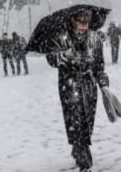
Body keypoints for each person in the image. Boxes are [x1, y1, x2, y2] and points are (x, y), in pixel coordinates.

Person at [46, 10, 109, 172]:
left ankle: (79, 145)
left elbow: (99, 65)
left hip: (89, 86)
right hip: (70, 85)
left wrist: (102, 81)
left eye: (86, 22)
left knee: (87, 120)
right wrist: (66, 56)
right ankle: (82, 154)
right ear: (73, 21)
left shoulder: (95, 39)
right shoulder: (62, 38)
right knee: (75, 119)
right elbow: (51, 58)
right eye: (80, 22)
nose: (83, 26)